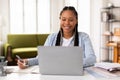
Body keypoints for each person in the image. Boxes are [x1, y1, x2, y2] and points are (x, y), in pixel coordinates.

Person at [17, 6, 96, 69]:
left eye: (71, 20)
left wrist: (70, 65)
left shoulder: (84, 37)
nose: (67, 23)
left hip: (77, 75)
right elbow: (41, 58)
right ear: (60, 20)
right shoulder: (52, 37)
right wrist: (26, 61)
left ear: (76, 21)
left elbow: (91, 59)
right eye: (64, 19)